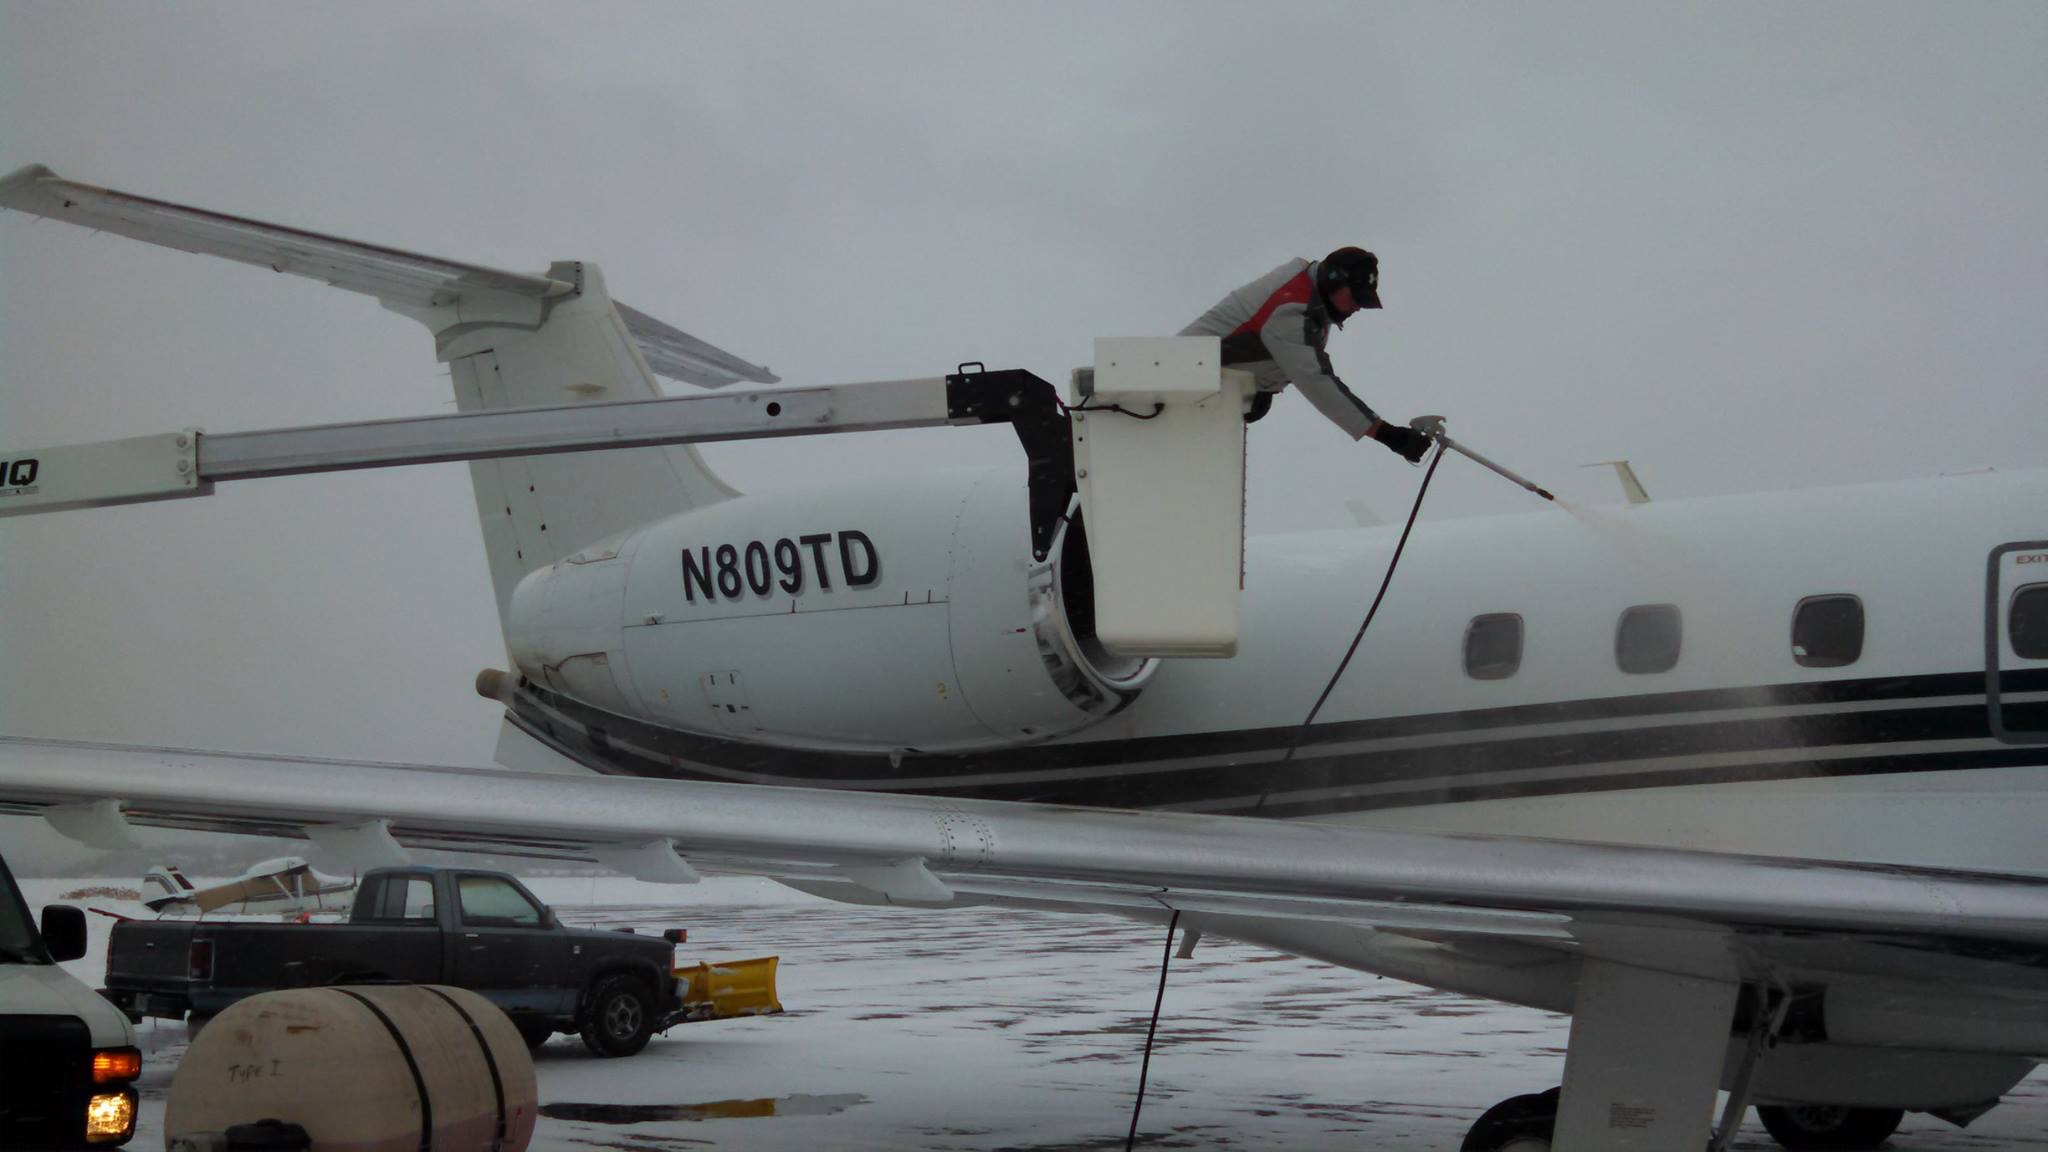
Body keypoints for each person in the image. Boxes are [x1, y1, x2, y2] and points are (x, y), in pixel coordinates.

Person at [1180, 247, 1432, 462]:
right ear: (1333, 280)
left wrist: (1263, 386)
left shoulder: (1310, 298)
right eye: (1355, 298)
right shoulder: (1292, 309)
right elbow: (1316, 380)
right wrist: (1387, 434)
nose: (1357, 307)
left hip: (1196, 392)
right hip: (1181, 390)